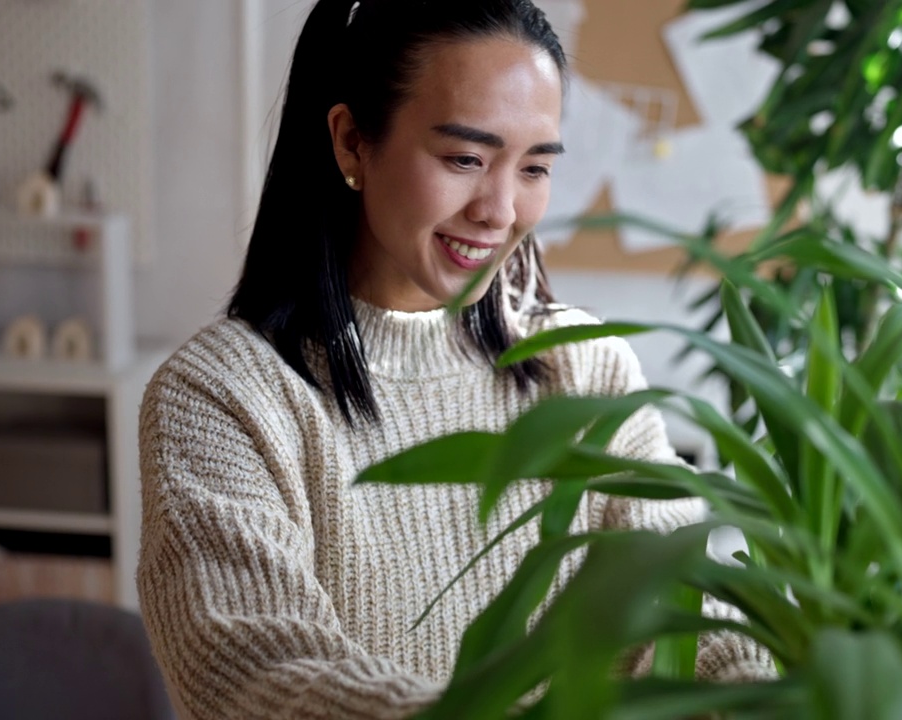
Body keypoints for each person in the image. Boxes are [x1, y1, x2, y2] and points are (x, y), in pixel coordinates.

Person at [136, 1, 771, 717]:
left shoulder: (585, 369)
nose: (499, 210)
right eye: (465, 159)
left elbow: (688, 585)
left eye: (533, 167)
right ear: (350, 144)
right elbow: (254, 668)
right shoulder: (223, 395)